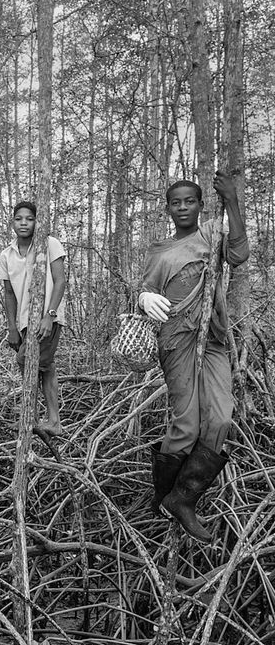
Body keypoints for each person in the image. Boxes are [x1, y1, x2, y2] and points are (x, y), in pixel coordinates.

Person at [138, 173, 249, 540]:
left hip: (212, 336)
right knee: (187, 424)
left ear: (201, 205)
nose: (183, 207)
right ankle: (164, 498)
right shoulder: (160, 250)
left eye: (190, 201)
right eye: (176, 202)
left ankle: (184, 498)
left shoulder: (213, 234)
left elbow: (239, 254)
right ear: (168, 208)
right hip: (175, 338)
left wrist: (231, 201)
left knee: (219, 418)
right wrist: (143, 297)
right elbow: (146, 292)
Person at [0, 202, 67, 435]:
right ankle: (53, 421)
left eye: (29, 218)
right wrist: (12, 328)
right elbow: (8, 293)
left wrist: (50, 315)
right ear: (12, 222)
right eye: (19, 219)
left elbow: (60, 281)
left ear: (37, 221)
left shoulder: (49, 244)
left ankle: (31, 418)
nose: (24, 223)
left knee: (26, 361)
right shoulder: (7, 255)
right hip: (25, 321)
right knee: (45, 368)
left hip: (48, 319)